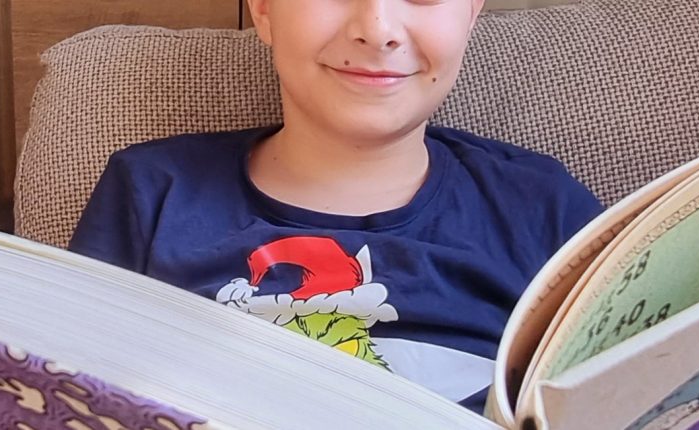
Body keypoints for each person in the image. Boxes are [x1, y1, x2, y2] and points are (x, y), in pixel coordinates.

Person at [68, 0, 603, 413]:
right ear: (263, 9)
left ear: (470, 11)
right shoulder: (149, 192)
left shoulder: (545, 211)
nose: (378, 28)